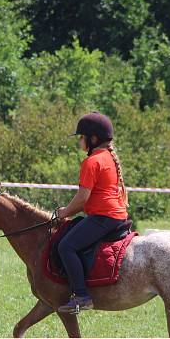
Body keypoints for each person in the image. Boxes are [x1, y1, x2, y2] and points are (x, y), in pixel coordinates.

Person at [55, 112, 128, 313]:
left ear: (93, 138)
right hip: (116, 215)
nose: (80, 141)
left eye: (81, 137)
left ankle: (82, 296)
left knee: (66, 246)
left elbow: (82, 199)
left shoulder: (92, 162)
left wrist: (64, 212)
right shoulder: (108, 158)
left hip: (103, 217)